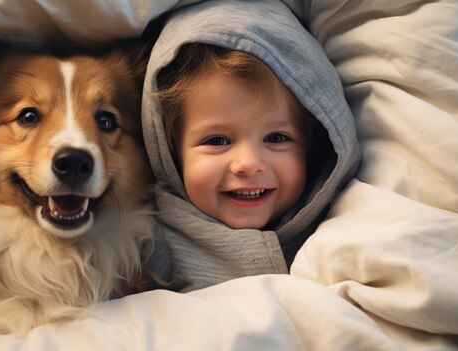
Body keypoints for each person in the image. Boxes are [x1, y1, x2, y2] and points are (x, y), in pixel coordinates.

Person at [142, 0, 361, 292]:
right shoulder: (144, 249)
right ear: (172, 153)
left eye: (277, 138)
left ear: (310, 146)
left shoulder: (346, 226)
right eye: (217, 141)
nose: (248, 163)